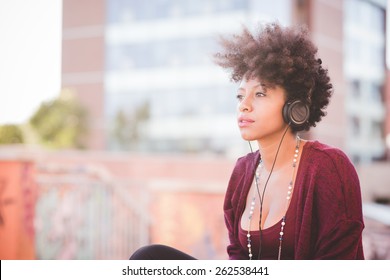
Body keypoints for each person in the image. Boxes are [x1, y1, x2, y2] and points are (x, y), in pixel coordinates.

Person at [129, 22, 365, 260]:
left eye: (260, 94)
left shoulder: (328, 167)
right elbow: (238, 256)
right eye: (241, 95)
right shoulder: (243, 171)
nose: (244, 105)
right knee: (149, 257)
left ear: (296, 107)